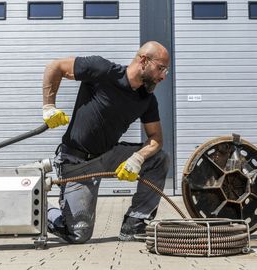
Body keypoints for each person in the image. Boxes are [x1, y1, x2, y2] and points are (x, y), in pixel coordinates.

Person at [43, 41, 170, 243]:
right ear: (144, 61)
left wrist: (137, 158)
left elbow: (156, 139)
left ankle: (134, 224)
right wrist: (49, 106)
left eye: (166, 71)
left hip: (108, 155)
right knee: (78, 234)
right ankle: (40, 209)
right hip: (77, 163)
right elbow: (55, 67)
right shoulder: (102, 70)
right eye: (161, 68)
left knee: (159, 159)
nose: (163, 76)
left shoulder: (147, 100)